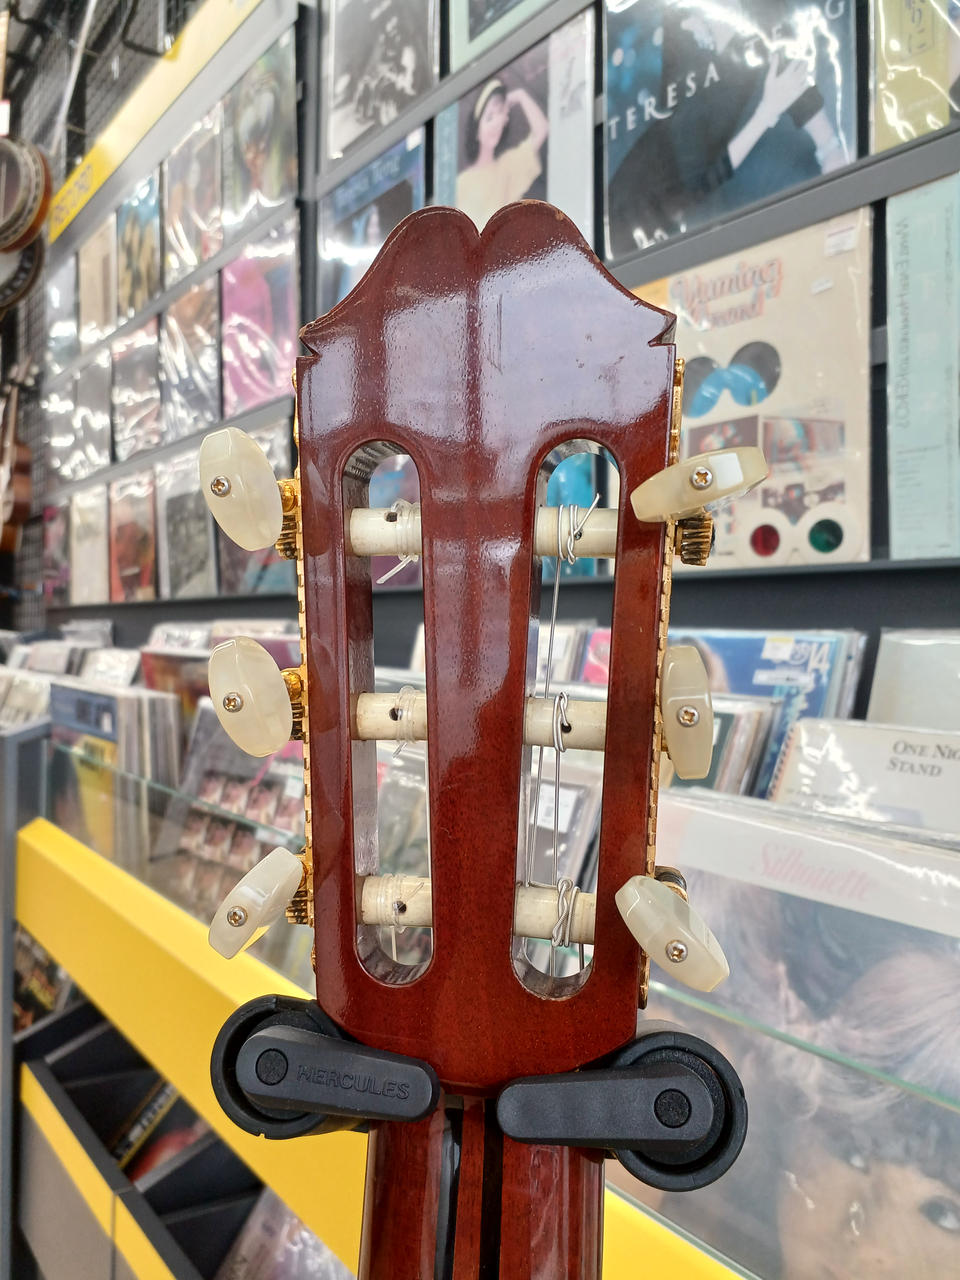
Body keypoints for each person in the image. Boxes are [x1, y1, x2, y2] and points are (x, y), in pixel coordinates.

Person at [455, 77, 549, 228]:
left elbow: (541, 129)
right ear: (477, 129)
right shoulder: (461, 183)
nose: (495, 126)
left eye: (500, 120)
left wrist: (520, 95)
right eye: (489, 118)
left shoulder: (507, 166)